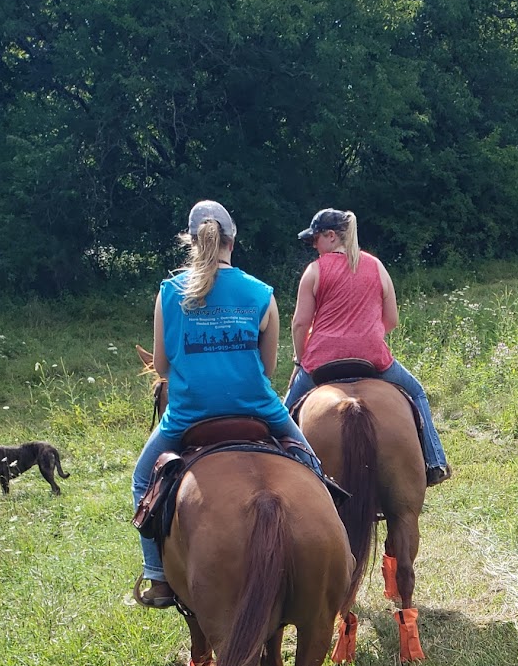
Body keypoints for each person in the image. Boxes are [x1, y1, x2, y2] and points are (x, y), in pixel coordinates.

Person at [132, 201, 325, 609]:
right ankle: (332, 561)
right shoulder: (261, 293)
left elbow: (162, 366)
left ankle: (158, 576)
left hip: (188, 416)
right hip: (259, 409)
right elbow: (268, 366)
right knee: (315, 467)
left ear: (191, 240)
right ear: (233, 241)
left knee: (140, 480)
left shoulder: (169, 292)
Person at [283, 209, 450, 486]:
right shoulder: (377, 266)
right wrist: (366, 334)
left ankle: (284, 471)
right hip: (372, 359)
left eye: (315, 240)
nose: (314, 246)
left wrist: (302, 361)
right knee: (417, 392)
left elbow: (300, 324)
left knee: (283, 412)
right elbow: (392, 319)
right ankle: (434, 461)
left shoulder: (314, 271)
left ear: (331, 236)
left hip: (322, 362)